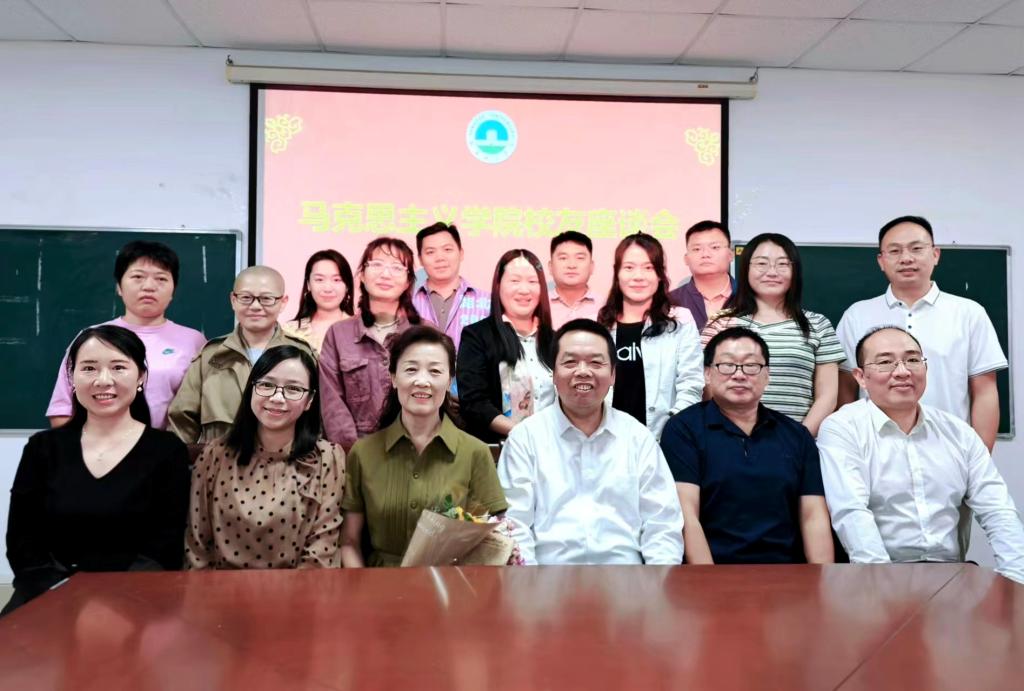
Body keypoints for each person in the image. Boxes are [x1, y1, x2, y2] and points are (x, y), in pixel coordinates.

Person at [5, 325, 190, 614]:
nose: (103, 380)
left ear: (141, 376)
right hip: (51, 598)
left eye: (118, 367)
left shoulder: (167, 452)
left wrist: (112, 604)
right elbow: (22, 542)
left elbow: (165, 547)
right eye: (89, 368)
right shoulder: (43, 449)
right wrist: (67, 598)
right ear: (72, 377)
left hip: (136, 602)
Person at [818, 326, 1024, 584]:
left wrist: (1018, 579)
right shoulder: (842, 428)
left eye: (913, 360)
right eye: (885, 362)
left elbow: (998, 511)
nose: (902, 371)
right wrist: (882, 587)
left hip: (950, 576)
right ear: (860, 377)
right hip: (875, 577)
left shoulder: (958, 432)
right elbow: (851, 511)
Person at [498, 319, 684, 565]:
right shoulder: (525, 438)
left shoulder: (638, 438)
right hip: (548, 578)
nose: (583, 371)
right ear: (553, 373)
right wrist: (531, 583)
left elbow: (662, 525)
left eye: (596, 363)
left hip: (627, 579)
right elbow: (515, 524)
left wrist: (656, 582)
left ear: (613, 374)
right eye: (570, 362)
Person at [660, 327, 834, 564]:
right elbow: (686, 515)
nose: (739, 374)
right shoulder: (683, 429)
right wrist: (706, 581)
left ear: (767, 375)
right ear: (707, 374)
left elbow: (813, 516)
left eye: (751, 365)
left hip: (786, 573)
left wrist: (822, 578)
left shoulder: (796, 436)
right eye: (727, 365)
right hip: (713, 571)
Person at [340, 326, 508, 567]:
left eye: (435, 371)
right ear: (393, 378)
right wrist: (363, 588)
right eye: (411, 369)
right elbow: (349, 541)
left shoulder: (475, 453)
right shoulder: (363, 453)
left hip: (450, 584)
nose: (422, 381)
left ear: (449, 381)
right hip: (379, 584)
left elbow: (493, 538)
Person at [835, 216, 1006, 452]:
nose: (906, 258)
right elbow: (845, 390)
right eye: (895, 251)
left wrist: (979, 459)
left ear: (935, 254)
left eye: (916, 248)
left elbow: (985, 392)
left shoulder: (969, 313)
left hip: (950, 448)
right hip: (874, 451)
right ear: (881, 261)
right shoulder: (857, 315)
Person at [185, 345, 345, 569]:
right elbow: (197, 549)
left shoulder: (327, 458)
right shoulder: (215, 455)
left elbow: (321, 552)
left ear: (309, 400)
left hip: (300, 588)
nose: (277, 397)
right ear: (251, 389)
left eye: (293, 389)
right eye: (267, 385)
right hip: (220, 588)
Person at [46, 240, 206, 430]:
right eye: (138, 276)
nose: (149, 286)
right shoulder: (91, 339)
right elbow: (61, 410)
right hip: (99, 446)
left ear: (173, 289)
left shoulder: (194, 341)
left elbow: (205, 410)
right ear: (119, 287)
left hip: (171, 446)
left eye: (161, 279)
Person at [701, 233, 845, 437]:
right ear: (746, 268)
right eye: (761, 263)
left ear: (795, 271)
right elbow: (707, 389)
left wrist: (798, 438)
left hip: (796, 442)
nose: (772, 272)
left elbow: (827, 396)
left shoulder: (817, 324)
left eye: (783, 264)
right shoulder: (721, 323)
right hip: (728, 440)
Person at [167, 266, 313, 444]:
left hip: (286, 459)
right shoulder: (211, 356)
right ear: (233, 300)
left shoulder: (302, 354)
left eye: (266, 299)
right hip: (219, 459)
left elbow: (317, 420)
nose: (255, 306)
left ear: (283, 302)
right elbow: (182, 423)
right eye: (246, 297)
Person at [597, 232, 703, 441]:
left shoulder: (680, 321)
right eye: (629, 267)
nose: (638, 276)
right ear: (617, 273)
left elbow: (691, 384)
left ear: (660, 274)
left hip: (662, 438)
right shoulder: (600, 324)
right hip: (606, 439)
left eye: (648, 268)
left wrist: (673, 431)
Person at [320, 237, 421, 451]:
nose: (386, 274)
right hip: (355, 452)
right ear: (362, 276)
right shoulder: (339, 334)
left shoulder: (426, 333)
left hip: (415, 450)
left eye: (397, 267)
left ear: (408, 282)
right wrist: (357, 453)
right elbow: (331, 403)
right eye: (377, 264)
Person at [456, 249, 556, 443]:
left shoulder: (555, 340)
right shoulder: (477, 336)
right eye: (515, 281)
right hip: (500, 447)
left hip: (553, 446)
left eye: (532, 281)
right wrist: (523, 434)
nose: (524, 290)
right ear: (498, 285)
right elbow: (474, 402)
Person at [411, 222, 490, 351]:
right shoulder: (408, 303)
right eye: (430, 252)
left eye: (447, 249)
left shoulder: (488, 302)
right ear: (420, 259)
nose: (440, 258)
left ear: (461, 253)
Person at [282, 249, 354, 354]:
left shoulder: (361, 331)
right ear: (308, 284)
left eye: (336, 280)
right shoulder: (289, 332)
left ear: (347, 286)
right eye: (319, 280)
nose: (328, 288)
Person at [668, 220, 736, 331]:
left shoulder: (750, 298)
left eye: (715, 247)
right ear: (686, 259)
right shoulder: (670, 302)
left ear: (730, 254)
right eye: (697, 249)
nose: (705, 254)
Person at [548, 230, 599, 329]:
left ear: (591, 266)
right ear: (550, 267)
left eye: (580, 258)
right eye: (563, 258)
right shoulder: (538, 306)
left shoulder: (607, 307)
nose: (571, 265)